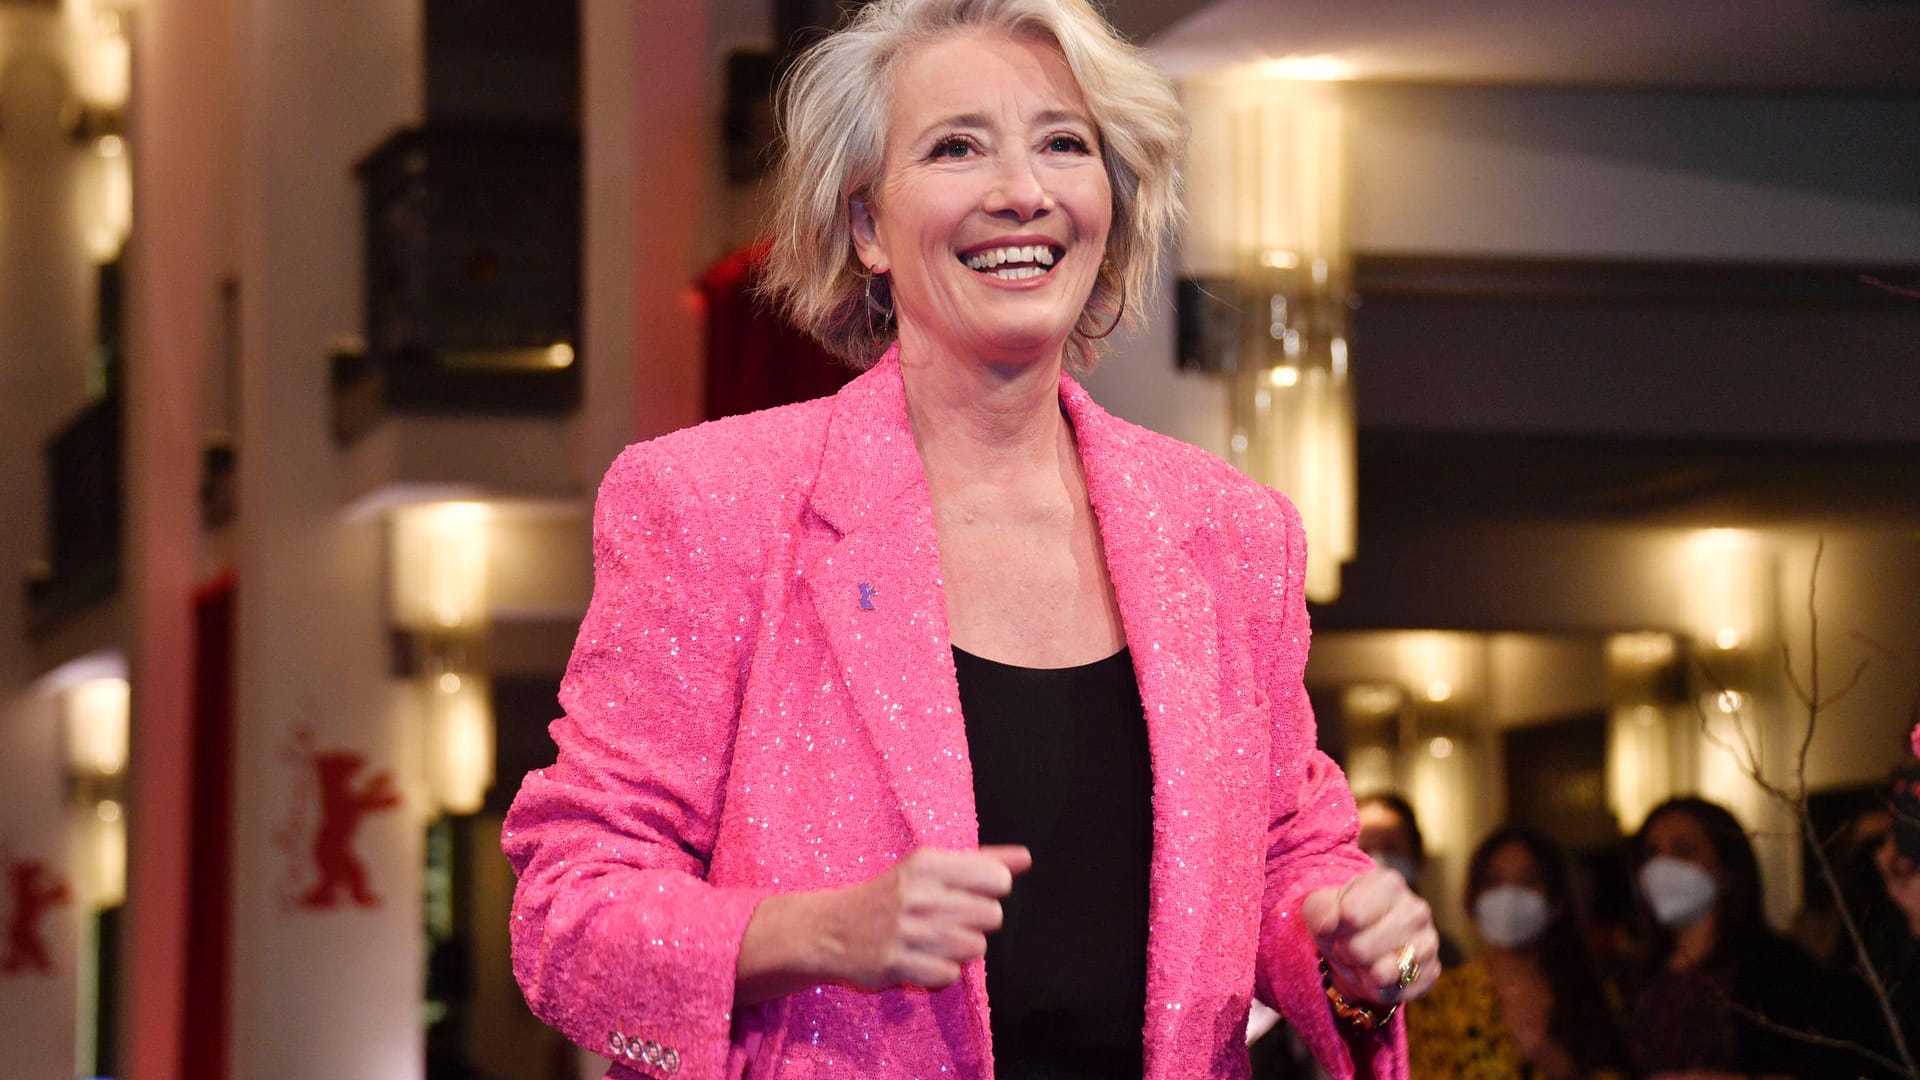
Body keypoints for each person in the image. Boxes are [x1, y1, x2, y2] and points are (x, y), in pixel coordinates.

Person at [500, 1, 1438, 1077]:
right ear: (865, 226)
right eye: (956, 147)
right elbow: (566, 904)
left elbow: (1287, 857)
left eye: (1063, 144)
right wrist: (814, 933)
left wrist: (1356, 950)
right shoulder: (712, 502)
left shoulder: (1231, 533)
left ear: (1112, 206)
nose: (1020, 193)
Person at [1624, 796, 1896, 1080]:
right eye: (1652, 853)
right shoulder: (1641, 974)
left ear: (1726, 867)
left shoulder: (1779, 970)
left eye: (1682, 850)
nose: (1662, 867)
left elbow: (1835, 1065)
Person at [1408, 825, 1627, 1080]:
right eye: (1494, 881)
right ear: (1474, 899)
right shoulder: (1440, 999)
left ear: (1556, 901)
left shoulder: (1592, 995)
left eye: (1528, 881)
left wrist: (1563, 1070)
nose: (1509, 895)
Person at [1357, 792, 1462, 969]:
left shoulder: (1441, 952)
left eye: (1390, 848)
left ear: (1417, 856)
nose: (1377, 860)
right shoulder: (1328, 949)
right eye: (1364, 849)